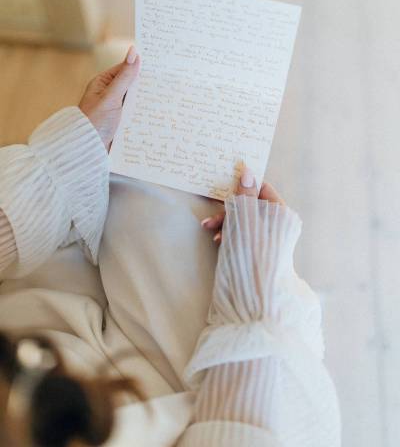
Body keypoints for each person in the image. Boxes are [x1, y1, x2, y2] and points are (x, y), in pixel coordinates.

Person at [0, 46, 341, 446]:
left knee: (141, 144)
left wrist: (61, 164)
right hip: (193, 416)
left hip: (33, 311)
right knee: (219, 222)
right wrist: (252, 303)